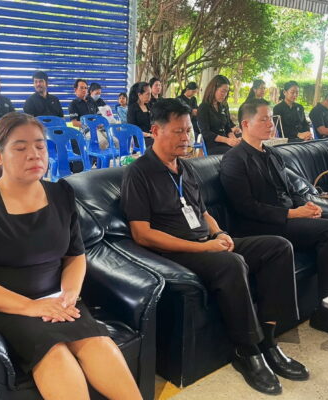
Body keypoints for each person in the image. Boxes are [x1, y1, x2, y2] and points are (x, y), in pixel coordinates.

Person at [121, 98, 308, 396]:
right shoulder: (138, 173)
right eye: (178, 131)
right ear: (155, 131)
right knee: (231, 263)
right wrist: (203, 248)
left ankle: (268, 341)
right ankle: (247, 351)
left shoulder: (185, 168)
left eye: (188, 130)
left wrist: (219, 233)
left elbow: (203, 212)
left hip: (204, 242)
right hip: (176, 253)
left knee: (278, 247)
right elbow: (142, 234)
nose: (186, 137)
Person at [0, 112, 142, 400]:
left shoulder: (61, 193)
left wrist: (69, 295)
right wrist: (30, 307)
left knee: (97, 343)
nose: (34, 154)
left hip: (57, 299)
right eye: (20, 148)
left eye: (40, 146)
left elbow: (75, 255)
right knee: (55, 353)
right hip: (8, 306)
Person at [220, 99, 328, 338]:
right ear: (245, 124)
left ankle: (326, 304)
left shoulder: (272, 154)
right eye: (264, 119)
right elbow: (245, 207)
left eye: (271, 118)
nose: (270, 124)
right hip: (261, 225)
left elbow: (290, 190)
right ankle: (325, 312)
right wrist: (291, 213)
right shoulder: (234, 159)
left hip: (289, 218)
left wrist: (306, 205)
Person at [197, 75, 241, 155]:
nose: (225, 94)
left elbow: (227, 126)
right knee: (235, 153)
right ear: (213, 89)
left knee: (245, 146)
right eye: (223, 91)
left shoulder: (223, 105)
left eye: (227, 92)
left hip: (225, 141)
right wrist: (227, 140)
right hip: (213, 145)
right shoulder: (203, 107)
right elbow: (206, 133)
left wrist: (234, 139)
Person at [127, 82, 153, 148]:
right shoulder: (132, 108)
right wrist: (149, 135)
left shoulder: (148, 106)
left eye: (150, 94)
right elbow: (132, 129)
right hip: (139, 139)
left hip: (150, 136)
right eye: (148, 94)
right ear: (139, 95)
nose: (150, 97)